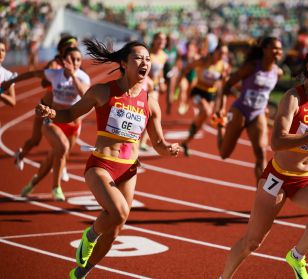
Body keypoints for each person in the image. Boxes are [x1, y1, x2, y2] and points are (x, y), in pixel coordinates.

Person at [35, 39, 180, 278]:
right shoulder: (102, 91)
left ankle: (80, 273)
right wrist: (51, 112)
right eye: (138, 58)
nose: (145, 62)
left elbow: (158, 144)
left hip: (128, 171)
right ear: (123, 63)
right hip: (101, 164)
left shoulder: (150, 103)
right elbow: (71, 113)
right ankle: (90, 234)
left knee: (114, 230)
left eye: (147, 59)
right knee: (120, 212)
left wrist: (169, 149)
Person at [220, 45, 308, 279]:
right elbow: (277, 142)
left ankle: (296, 257)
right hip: (278, 178)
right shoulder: (293, 98)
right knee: (253, 241)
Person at [2, 47, 90, 201]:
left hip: (73, 126)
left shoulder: (83, 77)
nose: (74, 62)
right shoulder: (54, 74)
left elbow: (85, 96)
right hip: (53, 121)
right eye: (71, 58)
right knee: (62, 147)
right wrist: (11, 81)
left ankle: (33, 182)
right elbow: (32, 74)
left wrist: (73, 76)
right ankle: (56, 187)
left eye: (78, 60)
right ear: (64, 60)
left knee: (53, 158)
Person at [216, 37, 283, 183]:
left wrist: (263, 105)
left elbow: (265, 92)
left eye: (279, 48)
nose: (278, 51)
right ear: (264, 49)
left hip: (257, 113)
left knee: (261, 154)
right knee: (224, 154)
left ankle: (261, 194)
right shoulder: (252, 66)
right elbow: (228, 85)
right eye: (274, 48)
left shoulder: (278, 72)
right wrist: (221, 107)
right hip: (240, 110)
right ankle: (220, 125)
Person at [14, 35, 78, 171]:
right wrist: (53, 76)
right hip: (45, 107)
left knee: (65, 141)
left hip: (61, 109)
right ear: (62, 49)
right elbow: (43, 82)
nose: (73, 50)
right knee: (35, 140)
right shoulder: (54, 64)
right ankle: (21, 154)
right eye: (70, 47)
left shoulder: (76, 65)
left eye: (75, 47)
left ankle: (61, 169)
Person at [180, 42, 230, 156]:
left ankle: (186, 141)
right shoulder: (203, 61)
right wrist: (182, 82)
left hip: (211, 94)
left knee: (202, 119)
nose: (222, 55)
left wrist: (222, 106)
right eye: (220, 52)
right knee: (206, 111)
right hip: (198, 91)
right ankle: (193, 126)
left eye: (225, 54)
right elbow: (187, 68)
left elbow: (224, 88)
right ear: (215, 51)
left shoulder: (224, 66)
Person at [0, 38, 17, 107]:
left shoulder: (7, 75)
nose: (0, 53)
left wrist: (0, 94)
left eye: (3, 50)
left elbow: (13, 101)